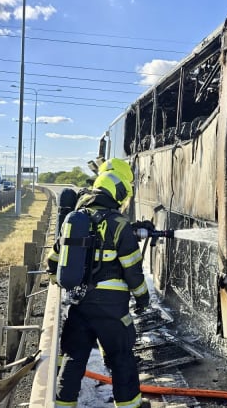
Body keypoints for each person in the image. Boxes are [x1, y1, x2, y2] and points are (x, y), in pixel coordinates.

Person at [48, 161, 154, 407]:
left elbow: (54, 261)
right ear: (118, 192)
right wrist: (142, 299)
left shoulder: (75, 220)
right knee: (121, 359)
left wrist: (69, 287)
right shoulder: (118, 224)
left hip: (79, 305)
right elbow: (133, 270)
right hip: (111, 309)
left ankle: (63, 404)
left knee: (73, 359)